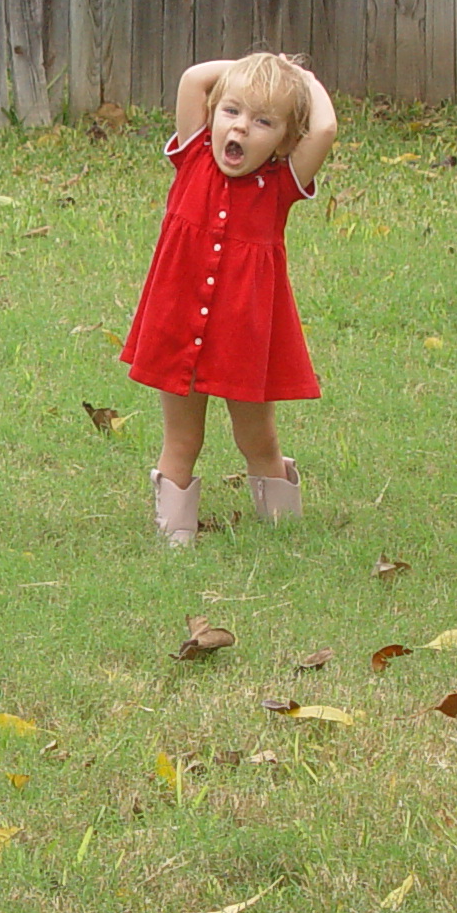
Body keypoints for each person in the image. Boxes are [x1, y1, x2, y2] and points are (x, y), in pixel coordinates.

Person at [118, 52, 338, 547]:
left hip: (245, 334)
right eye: (232, 111)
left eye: (263, 121)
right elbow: (195, 78)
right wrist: (257, 66)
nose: (241, 127)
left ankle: (284, 535)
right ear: (214, 115)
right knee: (182, 439)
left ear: (285, 139)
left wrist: (298, 77)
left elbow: (323, 128)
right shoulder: (193, 155)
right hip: (178, 326)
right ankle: (176, 540)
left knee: (257, 439)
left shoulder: (280, 184)